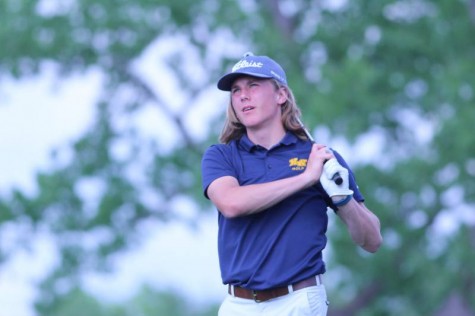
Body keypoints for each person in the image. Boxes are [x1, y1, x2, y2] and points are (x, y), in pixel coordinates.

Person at [201, 53, 382, 316]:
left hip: (298, 302)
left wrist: (345, 201)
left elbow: (372, 241)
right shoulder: (222, 155)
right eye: (236, 90)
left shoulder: (319, 157)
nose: (243, 96)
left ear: (281, 95)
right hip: (238, 306)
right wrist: (305, 178)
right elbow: (231, 203)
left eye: (253, 86)